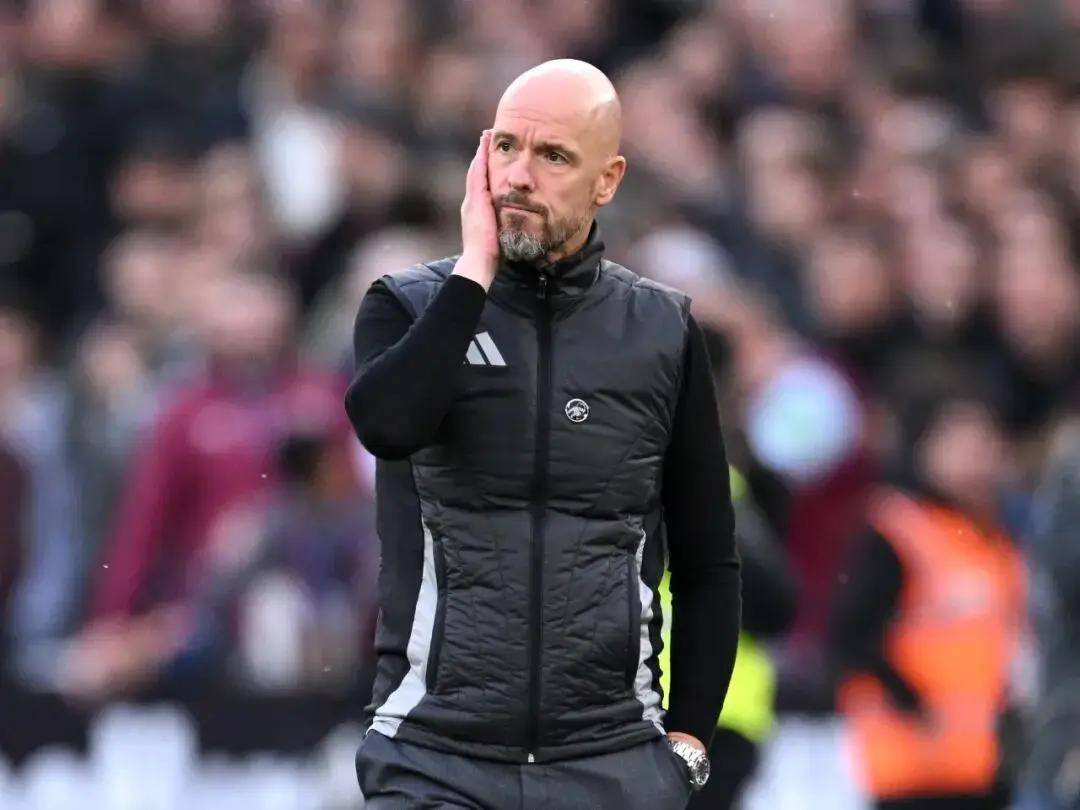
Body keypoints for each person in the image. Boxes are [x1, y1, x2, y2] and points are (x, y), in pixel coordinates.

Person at [345, 60, 741, 809]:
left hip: (610, 765)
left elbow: (708, 562)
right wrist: (474, 274)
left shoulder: (661, 330)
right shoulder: (408, 305)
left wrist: (687, 745)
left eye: (553, 156)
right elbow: (387, 426)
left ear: (607, 180)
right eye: (506, 147)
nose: (519, 176)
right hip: (434, 757)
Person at [832, 379, 1027, 810]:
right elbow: (852, 638)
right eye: (959, 443)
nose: (975, 459)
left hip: (984, 769)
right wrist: (914, 703)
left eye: (984, 443)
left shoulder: (996, 539)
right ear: (926, 448)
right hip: (913, 770)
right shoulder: (898, 531)